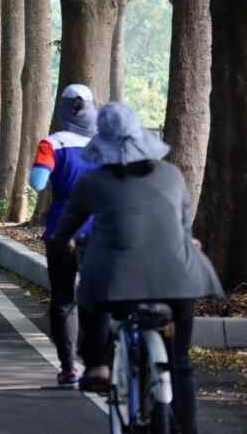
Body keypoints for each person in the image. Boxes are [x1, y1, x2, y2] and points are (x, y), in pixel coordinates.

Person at [54, 103, 224, 434]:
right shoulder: (172, 175)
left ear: (102, 141)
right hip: (180, 281)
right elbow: (183, 227)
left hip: (116, 283)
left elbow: (66, 228)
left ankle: (99, 364)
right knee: (181, 363)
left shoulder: (93, 181)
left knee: (88, 291)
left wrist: (63, 244)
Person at [29, 83, 98, 388]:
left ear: (62, 109)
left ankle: (69, 368)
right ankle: (100, 364)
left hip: (62, 230)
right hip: (101, 231)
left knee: (63, 298)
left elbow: (38, 182)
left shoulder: (51, 143)